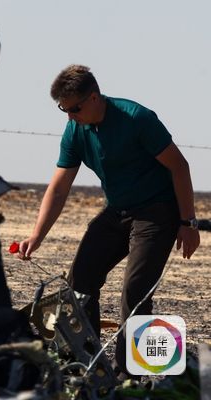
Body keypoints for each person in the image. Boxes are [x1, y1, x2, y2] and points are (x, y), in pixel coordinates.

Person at [16, 64, 200, 376]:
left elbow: (179, 167)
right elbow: (59, 188)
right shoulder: (75, 129)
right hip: (117, 211)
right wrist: (37, 236)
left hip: (157, 212)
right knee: (80, 282)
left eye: (74, 109)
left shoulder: (136, 118)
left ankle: (130, 373)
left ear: (94, 98)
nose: (69, 116)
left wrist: (188, 223)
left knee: (135, 288)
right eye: (63, 110)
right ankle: (87, 363)